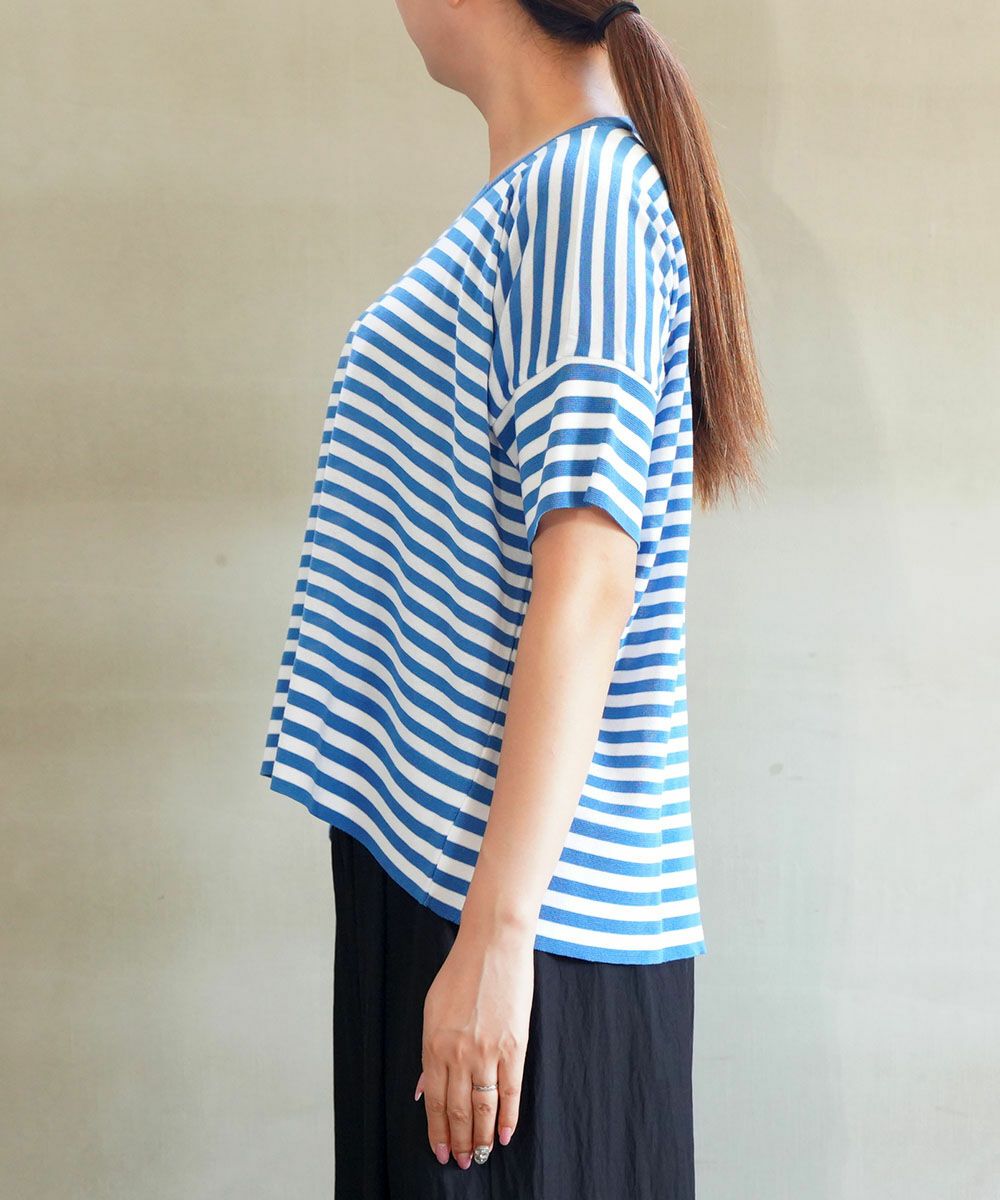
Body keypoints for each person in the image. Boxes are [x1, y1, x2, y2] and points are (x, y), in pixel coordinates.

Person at [259, 1, 770, 1196]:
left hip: (518, 924)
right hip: (466, 897)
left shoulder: (585, 197)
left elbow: (589, 577)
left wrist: (496, 936)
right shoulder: (550, 198)